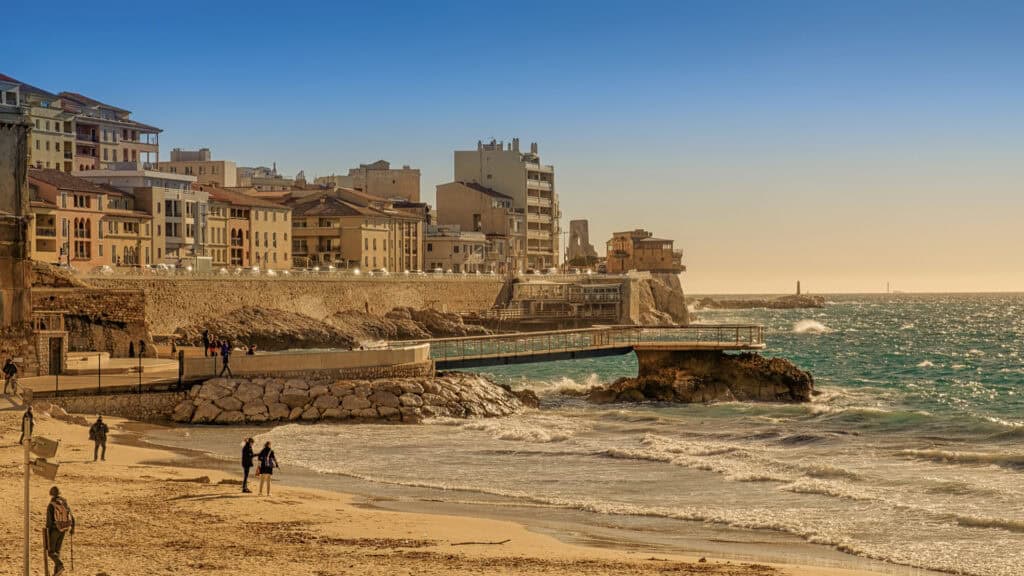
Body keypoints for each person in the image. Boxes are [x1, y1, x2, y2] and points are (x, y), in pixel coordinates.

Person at [45, 486, 75, 576]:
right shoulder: (64, 503)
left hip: (55, 530)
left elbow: (49, 521)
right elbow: (72, 517)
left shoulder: (51, 505)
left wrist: (48, 532)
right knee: (57, 552)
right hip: (64, 529)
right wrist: (73, 528)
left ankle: (60, 565)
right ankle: (57, 572)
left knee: (50, 552)